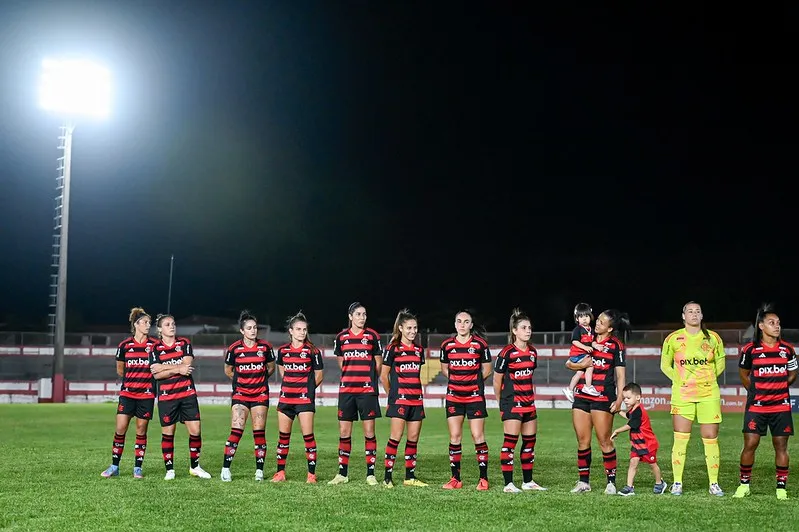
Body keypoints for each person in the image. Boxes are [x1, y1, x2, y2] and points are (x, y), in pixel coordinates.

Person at [660, 301, 726, 496]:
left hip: (708, 394)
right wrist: (679, 380)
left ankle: (714, 483)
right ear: (683, 316)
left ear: (702, 315)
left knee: (710, 439)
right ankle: (678, 483)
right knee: (680, 439)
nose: (694, 314)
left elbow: (720, 362)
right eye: (690, 311)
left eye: (697, 311)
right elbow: (665, 365)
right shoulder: (673, 338)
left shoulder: (713, 338)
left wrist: (707, 379)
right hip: (682, 395)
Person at [734, 304, 797, 500]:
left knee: (781, 446)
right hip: (757, 406)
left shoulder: (787, 349)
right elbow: (744, 373)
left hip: (781, 406)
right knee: (750, 444)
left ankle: (781, 488)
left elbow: (793, 372)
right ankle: (744, 485)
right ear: (761, 326)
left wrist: (780, 387)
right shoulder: (750, 349)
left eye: (778, 323)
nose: (776, 326)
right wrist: (754, 391)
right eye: (771, 323)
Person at [568, 308, 629, 494]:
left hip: (603, 397)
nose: (597, 324)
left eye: (602, 322)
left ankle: (611, 483)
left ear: (610, 329)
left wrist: (619, 399)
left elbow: (620, 375)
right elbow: (570, 363)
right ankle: (583, 482)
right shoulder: (586, 340)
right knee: (582, 441)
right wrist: (583, 364)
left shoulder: (616, 345)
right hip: (582, 396)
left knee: (604, 441)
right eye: (598, 320)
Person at [149, 314, 211, 480]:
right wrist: (177, 369)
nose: (172, 326)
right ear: (160, 330)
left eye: (173, 323)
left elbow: (187, 365)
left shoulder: (184, 343)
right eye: (168, 324)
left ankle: (195, 466)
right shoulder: (155, 349)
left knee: (196, 431)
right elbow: (156, 375)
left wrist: (164, 368)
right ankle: (170, 469)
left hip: (187, 394)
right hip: (166, 397)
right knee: (168, 433)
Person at [328, 302, 383, 486]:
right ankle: (342, 473)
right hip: (347, 391)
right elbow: (341, 362)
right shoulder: (341, 337)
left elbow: (378, 364)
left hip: (367, 391)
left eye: (364, 314)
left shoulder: (372, 336)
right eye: (358, 314)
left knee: (369, 432)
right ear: (350, 316)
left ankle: (371, 474)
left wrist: (366, 378)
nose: (362, 317)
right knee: (344, 432)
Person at [493, 308, 547, 493]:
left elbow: (529, 378)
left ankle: (528, 481)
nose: (528, 330)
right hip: (511, 404)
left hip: (529, 404)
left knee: (530, 442)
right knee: (510, 442)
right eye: (524, 327)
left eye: (530, 327)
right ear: (514, 331)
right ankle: (508, 484)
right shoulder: (506, 352)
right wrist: (502, 403)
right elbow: (496, 379)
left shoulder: (532, 352)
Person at [101, 307, 157, 479]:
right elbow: (120, 370)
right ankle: (114, 466)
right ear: (136, 324)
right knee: (120, 429)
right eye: (145, 322)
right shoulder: (125, 346)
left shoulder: (154, 345)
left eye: (149, 322)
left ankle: (137, 468)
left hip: (146, 395)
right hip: (128, 394)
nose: (148, 325)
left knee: (141, 431)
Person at [220, 310, 276, 482]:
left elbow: (271, 367)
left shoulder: (265, 347)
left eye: (255, 327)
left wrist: (258, 380)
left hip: (260, 395)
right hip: (240, 395)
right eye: (249, 328)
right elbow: (228, 370)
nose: (253, 330)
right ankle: (225, 469)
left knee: (259, 432)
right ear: (242, 331)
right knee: (236, 431)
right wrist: (241, 382)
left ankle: (259, 471)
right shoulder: (234, 349)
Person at [440, 310, 492, 490]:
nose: (462, 324)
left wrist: (474, 382)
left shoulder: (480, 344)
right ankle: (455, 479)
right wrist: (458, 381)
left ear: (471, 325)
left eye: (466, 321)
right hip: (454, 397)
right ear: (455, 324)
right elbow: (444, 369)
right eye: (459, 321)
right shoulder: (447, 345)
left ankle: (483, 479)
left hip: (475, 397)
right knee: (455, 436)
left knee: (477, 435)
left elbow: (487, 370)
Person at [272, 311, 324, 484]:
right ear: (291, 331)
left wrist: (307, 390)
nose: (302, 332)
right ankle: (280, 473)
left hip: (304, 400)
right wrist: (291, 386)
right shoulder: (283, 351)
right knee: (283, 437)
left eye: (304, 329)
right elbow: (282, 371)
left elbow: (319, 376)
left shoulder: (312, 351)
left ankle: (311, 475)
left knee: (308, 436)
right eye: (298, 329)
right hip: (286, 399)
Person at [380, 309, 428, 488]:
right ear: (400, 328)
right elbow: (384, 376)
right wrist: (392, 395)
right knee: (395, 437)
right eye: (409, 328)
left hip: (416, 400)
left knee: (413, 438)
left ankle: (410, 477)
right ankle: (387, 477)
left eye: (415, 328)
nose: (412, 331)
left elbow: (416, 375)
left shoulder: (418, 350)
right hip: (399, 400)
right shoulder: (392, 348)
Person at [611, 382, 668, 495]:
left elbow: (631, 424)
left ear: (638, 397)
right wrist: (617, 411)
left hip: (647, 444)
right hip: (637, 444)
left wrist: (617, 430)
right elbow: (628, 416)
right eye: (624, 398)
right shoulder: (633, 410)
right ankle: (629, 487)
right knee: (633, 463)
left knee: (653, 464)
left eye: (628, 398)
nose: (625, 400)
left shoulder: (638, 411)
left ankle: (659, 483)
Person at [563, 303, 599, 401]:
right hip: (577, 355)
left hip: (582, 355)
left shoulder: (591, 330)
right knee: (590, 365)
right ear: (577, 318)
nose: (584, 319)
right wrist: (585, 348)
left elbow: (593, 342)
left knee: (579, 373)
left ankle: (570, 389)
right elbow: (574, 341)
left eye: (586, 316)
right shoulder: (578, 329)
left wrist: (597, 346)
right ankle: (588, 386)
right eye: (581, 316)